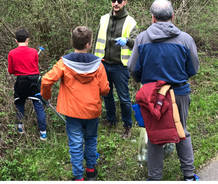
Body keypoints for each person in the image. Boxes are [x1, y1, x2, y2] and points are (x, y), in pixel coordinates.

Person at [128, 0, 199, 181]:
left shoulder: (142, 39)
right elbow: (193, 68)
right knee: (181, 130)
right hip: (179, 92)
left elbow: (133, 68)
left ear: (152, 18)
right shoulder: (185, 39)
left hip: (152, 94)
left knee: (155, 134)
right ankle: (189, 176)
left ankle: (155, 178)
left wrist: (143, 81)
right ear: (172, 16)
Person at [41, 26, 110, 181]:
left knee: (75, 142)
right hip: (92, 110)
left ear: (73, 42)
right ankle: (91, 170)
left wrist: (46, 96)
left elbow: (46, 80)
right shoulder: (98, 64)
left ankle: (78, 177)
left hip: (72, 111)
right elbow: (105, 89)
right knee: (91, 139)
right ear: (88, 44)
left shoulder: (64, 63)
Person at [94, 0, 138, 139]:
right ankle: (111, 120)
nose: (116, 3)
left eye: (119, 1)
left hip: (120, 66)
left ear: (125, 2)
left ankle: (127, 126)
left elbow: (136, 42)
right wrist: (95, 61)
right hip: (104, 63)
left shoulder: (130, 22)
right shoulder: (104, 18)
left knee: (124, 98)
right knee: (107, 94)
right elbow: (97, 41)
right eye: (113, 1)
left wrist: (128, 41)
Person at [8, 28, 47, 141]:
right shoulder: (34, 52)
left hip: (21, 81)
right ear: (28, 40)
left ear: (16, 40)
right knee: (38, 105)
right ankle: (43, 134)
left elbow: (11, 71)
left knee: (20, 103)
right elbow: (35, 67)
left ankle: (20, 128)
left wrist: (19, 71)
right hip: (34, 81)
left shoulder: (12, 53)